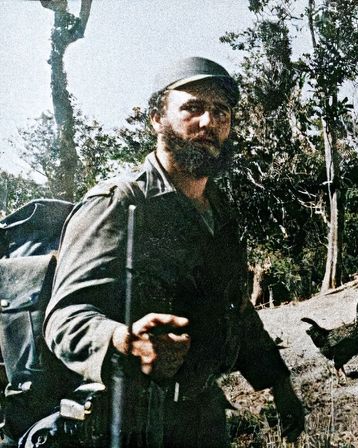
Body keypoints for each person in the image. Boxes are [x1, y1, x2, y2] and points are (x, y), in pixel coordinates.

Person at [36, 57, 305, 447]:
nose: (209, 122)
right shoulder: (119, 204)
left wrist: (278, 383)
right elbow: (64, 320)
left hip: (204, 417)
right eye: (193, 108)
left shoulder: (220, 213)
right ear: (157, 119)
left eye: (221, 112)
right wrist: (124, 340)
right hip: (130, 425)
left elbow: (236, 308)